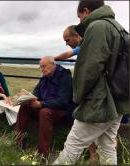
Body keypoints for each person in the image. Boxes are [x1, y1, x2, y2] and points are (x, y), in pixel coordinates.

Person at [53, 0, 130, 165]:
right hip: (118, 100)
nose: (80, 22)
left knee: (73, 145)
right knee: (108, 146)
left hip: (99, 101)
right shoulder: (118, 28)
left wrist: (78, 96)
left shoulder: (97, 27)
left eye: (80, 17)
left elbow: (89, 69)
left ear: (86, 11)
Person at [15, 56, 75, 158]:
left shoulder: (65, 77)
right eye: (41, 67)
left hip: (62, 111)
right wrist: (30, 98)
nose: (42, 69)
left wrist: (41, 104)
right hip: (46, 107)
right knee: (24, 106)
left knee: (44, 112)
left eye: (44, 66)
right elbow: (36, 92)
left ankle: (43, 154)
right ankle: (19, 143)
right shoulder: (45, 77)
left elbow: (63, 101)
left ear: (53, 65)